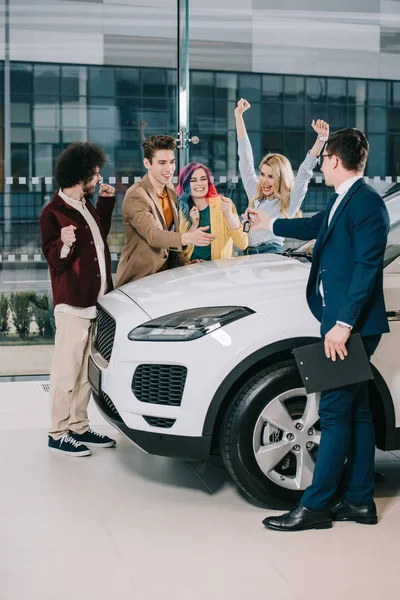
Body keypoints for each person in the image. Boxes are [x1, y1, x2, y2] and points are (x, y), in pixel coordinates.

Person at [247, 128, 390, 531]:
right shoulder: (345, 200)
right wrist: (269, 224)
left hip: (352, 325)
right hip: (343, 321)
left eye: (324, 158)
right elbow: (313, 226)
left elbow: (366, 269)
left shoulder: (367, 205)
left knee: (333, 411)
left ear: (334, 161)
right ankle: (360, 501)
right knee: (357, 411)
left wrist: (342, 325)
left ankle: (315, 507)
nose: (323, 164)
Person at [39, 142, 117, 457]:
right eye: (95, 175)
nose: (98, 179)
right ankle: (57, 433)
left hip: (95, 302)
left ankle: (79, 427)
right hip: (72, 304)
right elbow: (54, 261)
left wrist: (106, 203)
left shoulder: (86, 205)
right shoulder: (52, 213)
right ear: (79, 175)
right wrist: (64, 243)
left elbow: (100, 236)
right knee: (65, 372)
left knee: (86, 372)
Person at [115, 135, 215, 286]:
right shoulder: (136, 195)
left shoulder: (169, 189)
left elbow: (172, 233)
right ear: (147, 163)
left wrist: (185, 263)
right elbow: (153, 235)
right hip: (141, 279)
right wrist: (188, 237)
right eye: (162, 163)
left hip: (166, 278)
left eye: (172, 162)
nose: (169, 169)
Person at [235, 98, 329, 254]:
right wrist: (239, 116)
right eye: (263, 174)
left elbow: (304, 173)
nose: (264, 180)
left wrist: (321, 139)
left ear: (280, 179)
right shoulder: (255, 195)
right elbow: (245, 159)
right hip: (247, 252)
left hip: (270, 252)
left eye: (271, 176)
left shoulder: (288, 202)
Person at [177, 162, 248, 260]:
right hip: (191, 270)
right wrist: (194, 225)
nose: (200, 183)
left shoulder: (223, 204)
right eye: (193, 180)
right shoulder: (183, 210)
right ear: (185, 185)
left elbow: (242, 244)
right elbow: (182, 251)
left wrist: (229, 215)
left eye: (203, 179)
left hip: (218, 271)